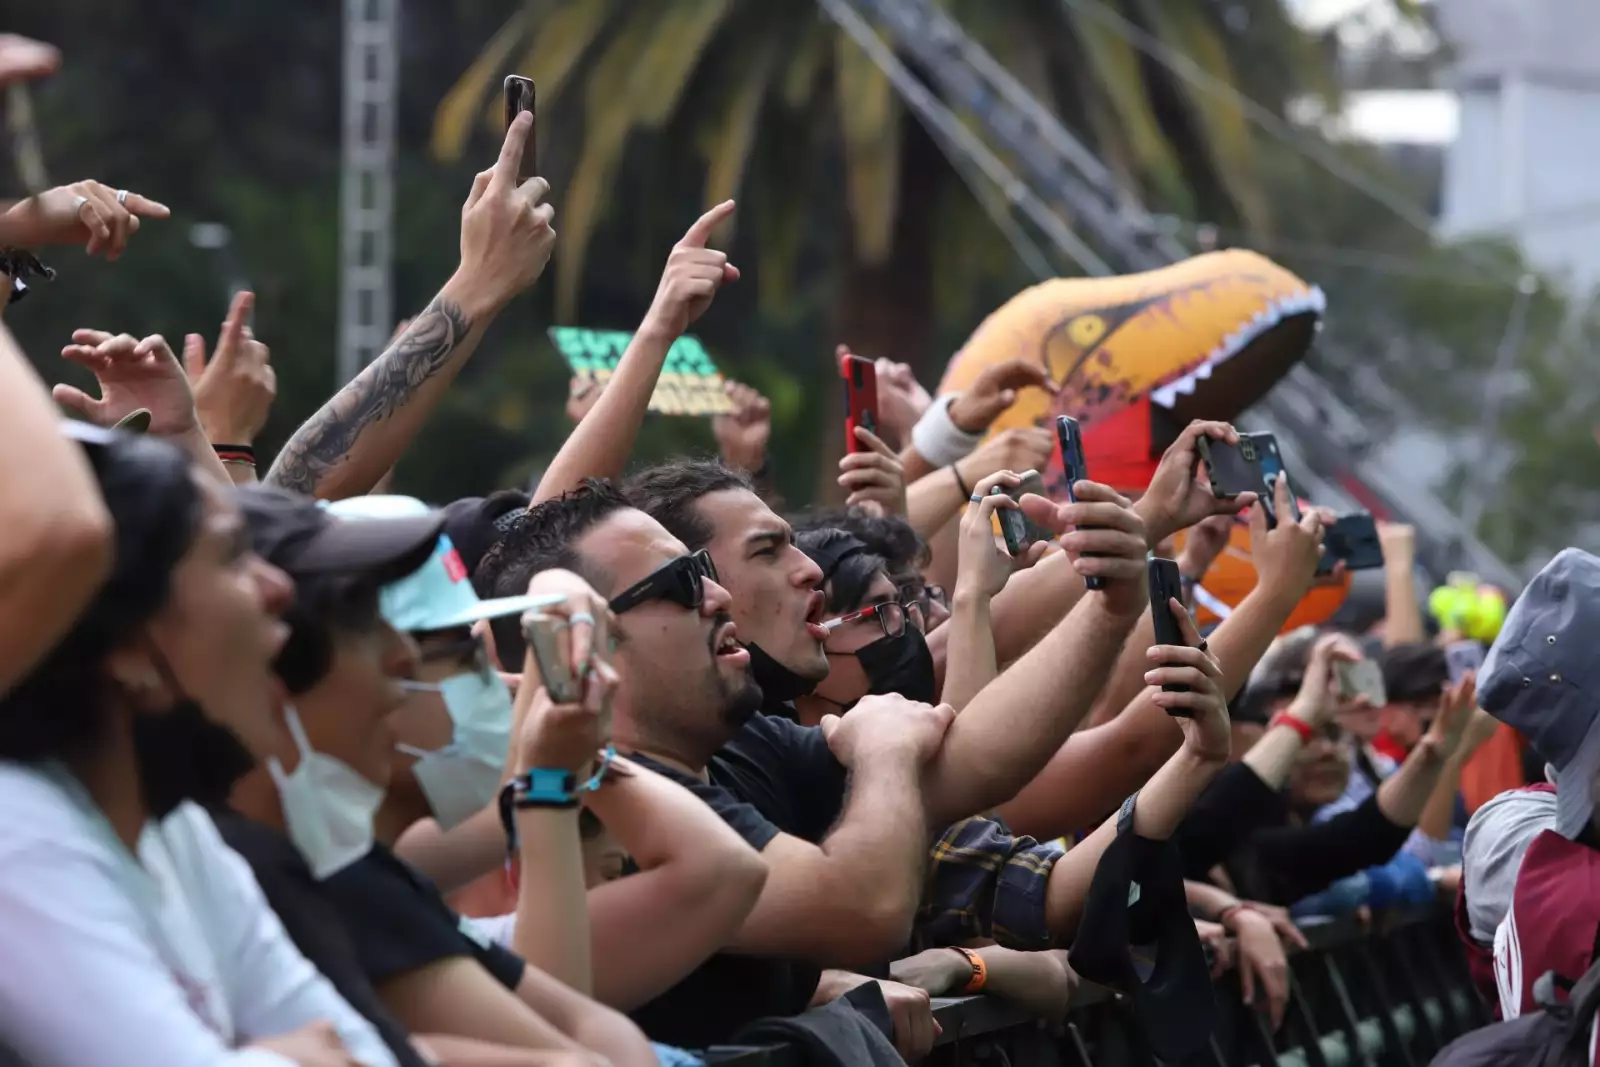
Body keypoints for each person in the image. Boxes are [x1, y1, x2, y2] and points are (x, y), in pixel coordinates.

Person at [474, 477, 1229, 1049]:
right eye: (679, 583)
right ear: (583, 640)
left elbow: (972, 759)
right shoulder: (598, 795)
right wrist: (887, 754)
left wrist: (1111, 605)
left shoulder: (740, 744)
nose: (716, 596)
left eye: (704, 568)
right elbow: (861, 909)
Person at [0, 428, 394, 1066]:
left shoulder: (176, 834)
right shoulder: (16, 832)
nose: (278, 589)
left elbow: (361, 1053)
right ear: (130, 647)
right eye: (233, 555)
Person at [220, 489, 654, 1067]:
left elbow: (593, 1033)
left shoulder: (361, 863)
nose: (395, 663)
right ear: (282, 678)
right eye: (457, 651)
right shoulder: (293, 871)